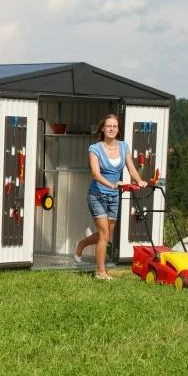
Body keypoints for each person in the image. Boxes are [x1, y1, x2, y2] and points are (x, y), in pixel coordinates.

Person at [74, 113, 147, 279]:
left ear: (118, 129)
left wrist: (139, 180)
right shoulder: (95, 149)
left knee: (104, 235)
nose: (112, 129)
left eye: (115, 126)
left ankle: (82, 243)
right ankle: (100, 272)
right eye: (108, 126)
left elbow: (132, 168)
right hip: (97, 194)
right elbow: (95, 173)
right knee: (104, 234)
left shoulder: (124, 147)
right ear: (103, 129)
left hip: (114, 197)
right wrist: (113, 184)